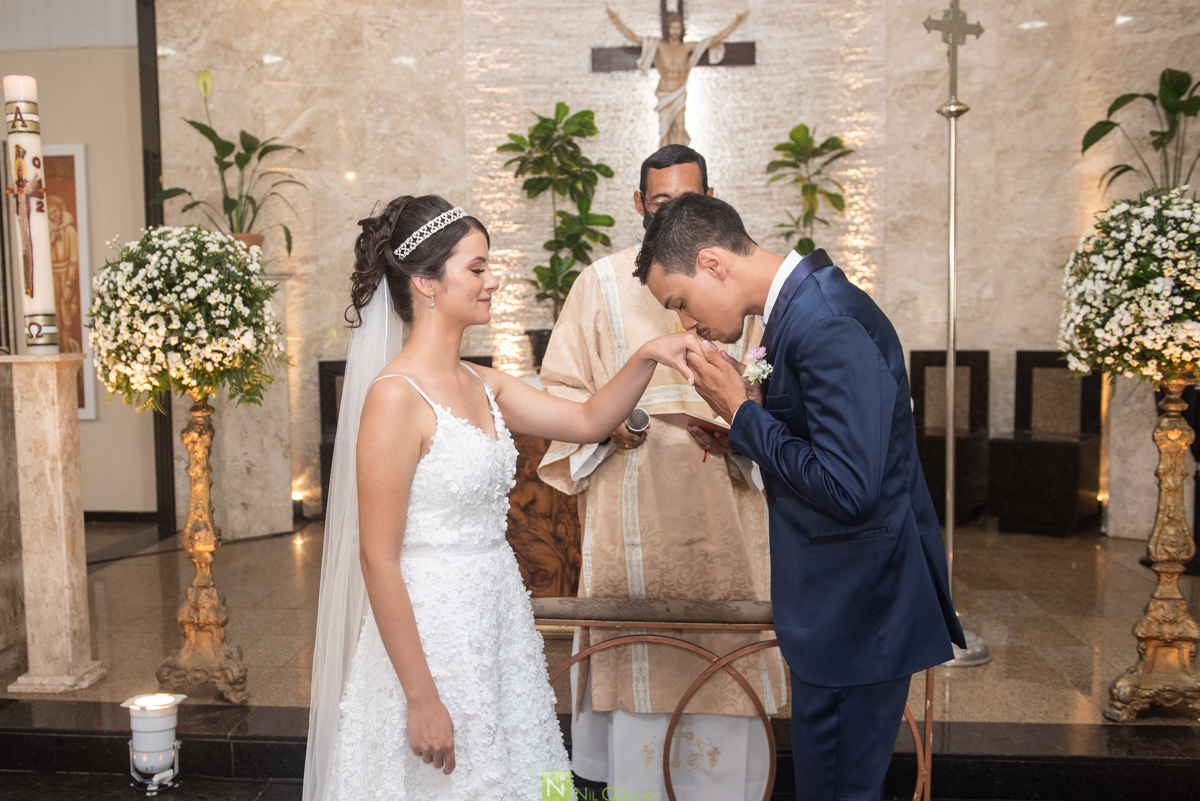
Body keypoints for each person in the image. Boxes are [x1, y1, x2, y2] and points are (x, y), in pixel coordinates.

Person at [304, 195, 702, 801]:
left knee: (521, 770)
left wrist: (648, 356)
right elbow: (377, 558)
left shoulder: (481, 381)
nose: (494, 281)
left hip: (499, 619)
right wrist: (420, 696)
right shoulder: (394, 398)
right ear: (426, 283)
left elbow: (591, 418)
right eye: (478, 268)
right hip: (432, 635)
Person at [633, 194, 966, 801]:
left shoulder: (825, 321)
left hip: (856, 615)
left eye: (679, 302)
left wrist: (744, 413)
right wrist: (745, 434)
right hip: (846, 612)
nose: (686, 323)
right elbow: (828, 449)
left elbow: (850, 488)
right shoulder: (800, 313)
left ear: (712, 263)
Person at [538, 146, 784, 800]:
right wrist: (604, 421)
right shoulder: (598, 283)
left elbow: (782, 398)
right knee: (641, 714)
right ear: (640, 205)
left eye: (685, 200)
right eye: (660, 202)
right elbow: (560, 394)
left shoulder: (739, 281)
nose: (670, 212)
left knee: (724, 671)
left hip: (725, 511)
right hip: (631, 513)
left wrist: (746, 422)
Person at [606, 7, 749, 147]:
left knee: (680, 126)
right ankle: (663, 162)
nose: (675, 31)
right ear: (668, 29)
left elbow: (713, 40)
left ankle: (680, 159)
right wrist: (616, 21)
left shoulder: (686, 47)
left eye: (678, 28)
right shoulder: (660, 45)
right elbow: (634, 37)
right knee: (664, 131)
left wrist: (736, 23)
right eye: (672, 27)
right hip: (665, 92)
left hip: (679, 92)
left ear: (682, 30)